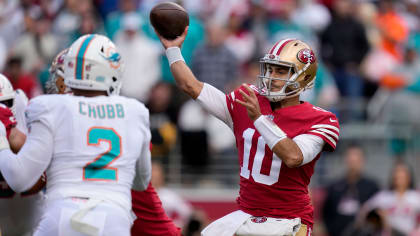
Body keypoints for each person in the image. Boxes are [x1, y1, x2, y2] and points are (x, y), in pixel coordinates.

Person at [155, 27, 340, 235]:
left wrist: (259, 119)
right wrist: (172, 50)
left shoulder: (320, 119)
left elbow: (293, 156)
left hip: (288, 220)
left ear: (303, 78)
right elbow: (191, 86)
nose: (271, 76)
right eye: (270, 69)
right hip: (246, 214)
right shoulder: (249, 100)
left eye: (281, 71)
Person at [0, 34, 152, 235]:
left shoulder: (49, 106)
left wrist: (3, 136)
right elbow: (141, 182)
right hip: (113, 218)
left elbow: (19, 178)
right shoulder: (135, 111)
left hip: (61, 214)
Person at [46, 43, 181, 236]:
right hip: (113, 220)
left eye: (64, 79)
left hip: (136, 225)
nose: (58, 85)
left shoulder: (79, 123)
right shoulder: (120, 117)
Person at [0, 74, 44, 236]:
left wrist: (11, 135)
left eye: (4, 104)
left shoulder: (23, 106)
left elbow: (40, 179)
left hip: (31, 221)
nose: (2, 110)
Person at [322, 144, 379, 236]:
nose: (353, 164)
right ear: (346, 160)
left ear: (362, 161)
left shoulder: (372, 187)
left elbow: (377, 215)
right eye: (351, 160)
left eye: (356, 160)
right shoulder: (334, 187)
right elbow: (327, 214)